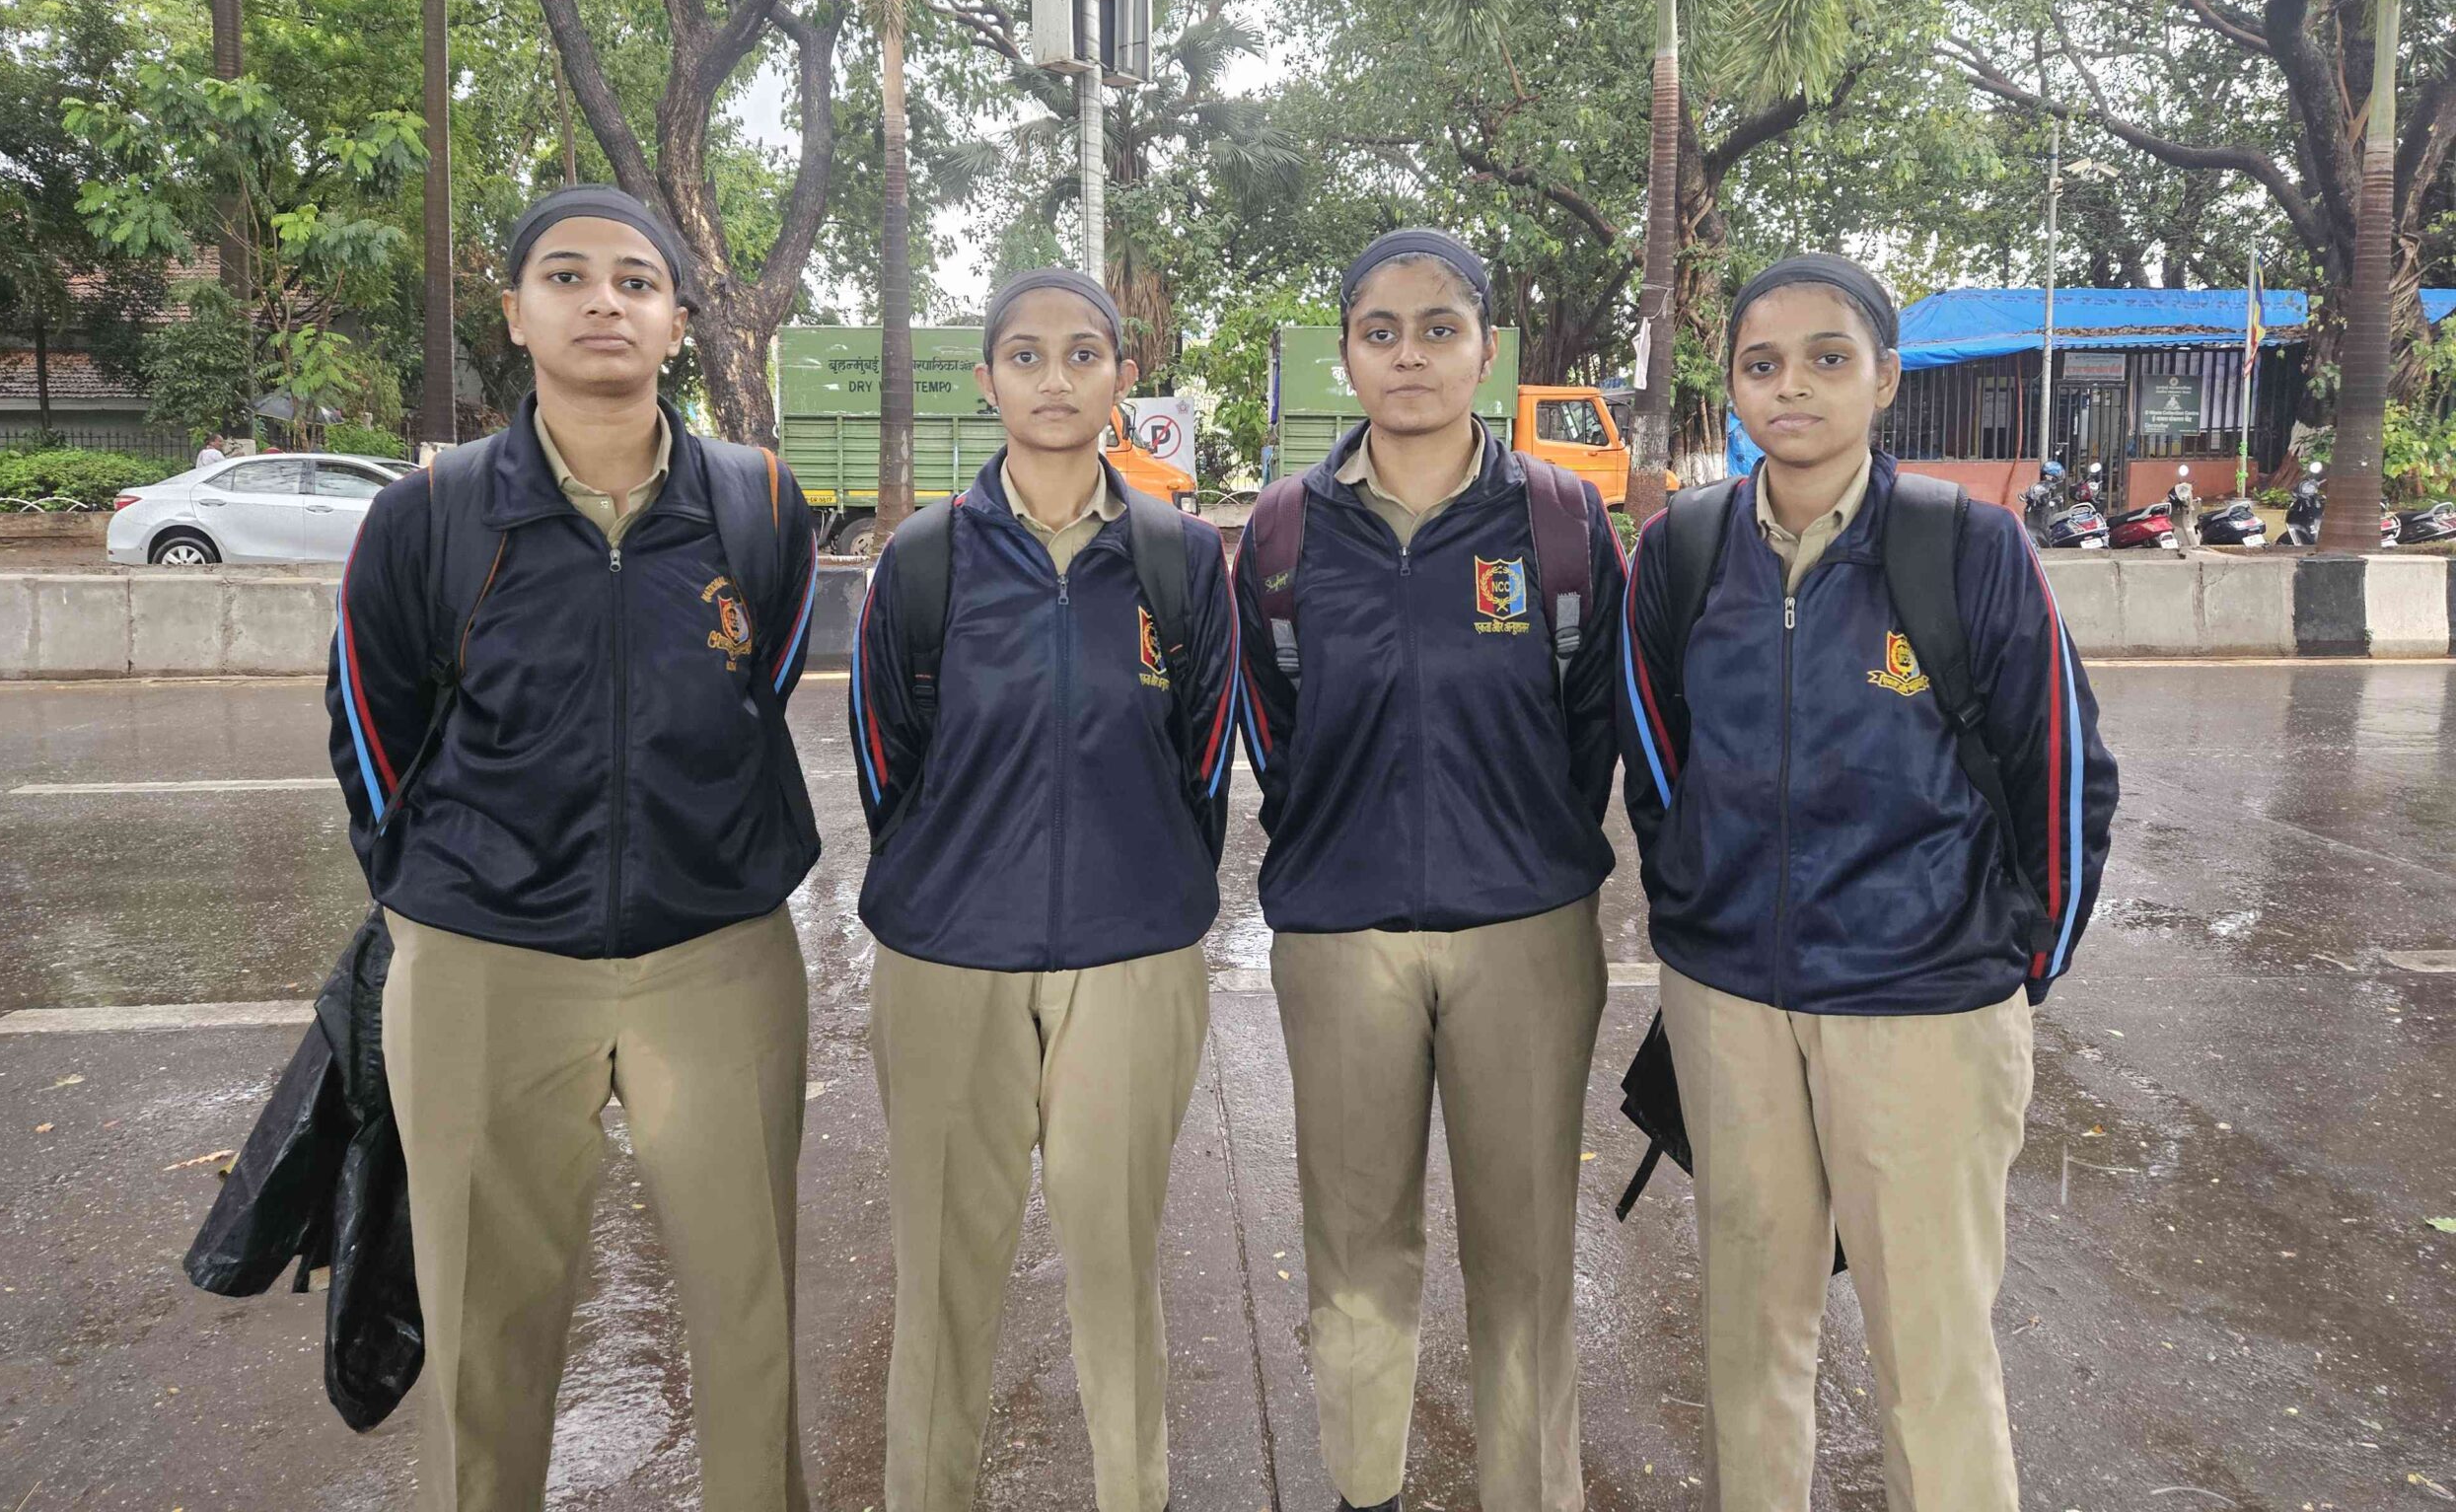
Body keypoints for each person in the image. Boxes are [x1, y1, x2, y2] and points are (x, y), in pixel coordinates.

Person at [325, 184, 824, 1512]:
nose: (603, 299)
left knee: (750, 1315)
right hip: (488, 968)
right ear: (517, 313)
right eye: (567, 275)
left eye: (636, 281)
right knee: (488, 1336)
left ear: (676, 319)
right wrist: (440, 910)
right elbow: (375, 738)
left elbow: (757, 685)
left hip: (717, 957)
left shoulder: (758, 503)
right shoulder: (429, 518)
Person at [1617, 252, 2119, 1512]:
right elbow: (1655, 761)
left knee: (1931, 1354)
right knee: (1751, 1337)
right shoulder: (1680, 553)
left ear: (1885, 376)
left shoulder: (1967, 548)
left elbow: (2061, 767)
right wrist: (1697, 922)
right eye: (1762, 364)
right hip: (1731, 1008)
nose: (1793, 388)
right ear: (1731, 387)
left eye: (1828, 358)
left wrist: (2013, 969)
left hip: (1925, 1011)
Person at [1232, 228, 1627, 1512]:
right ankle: (1366, 1490)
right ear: (1347, 354)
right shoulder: (1287, 535)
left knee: (1524, 1268)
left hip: (1527, 933)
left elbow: (1591, 730)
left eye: (1439, 328)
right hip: (1341, 939)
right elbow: (1274, 728)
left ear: (1487, 350)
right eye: (1381, 332)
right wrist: (1341, 845)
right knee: (1354, 1259)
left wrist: (1521, 848)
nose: (1410, 356)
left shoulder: (1561, 523)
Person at [848, 267, 1241, 1512]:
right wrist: (955, 880)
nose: (1055, 378)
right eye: (1026, 356)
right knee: (943, 1278)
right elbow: (884, 762)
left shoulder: (1181, 562)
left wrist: (1144, 882)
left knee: (1117, 1270)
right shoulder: (920, 562)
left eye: (1083, 354)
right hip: (946, 959)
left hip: (1131, 958)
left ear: (1123, 378)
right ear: (987, 381)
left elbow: (1205, 763)